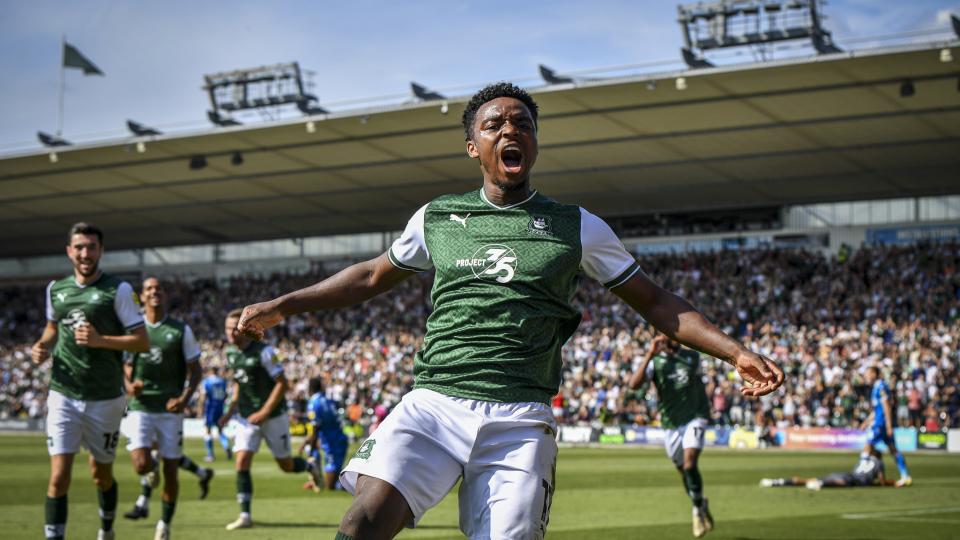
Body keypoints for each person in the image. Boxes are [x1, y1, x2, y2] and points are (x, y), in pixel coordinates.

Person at [235, 82, 784, 540]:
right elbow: (370, 276)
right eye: (494, 124)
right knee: (362, 524)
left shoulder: (577, 226)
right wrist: (285, 304)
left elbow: (658, 303)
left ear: (535, 142)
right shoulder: (438, 218)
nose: (509, 131)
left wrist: (736, 352)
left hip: (520, 417)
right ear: (473, 145)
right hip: (434, 404)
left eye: (521, 123)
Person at [32, 222, 150, 540]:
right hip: (63, 393)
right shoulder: (56, 289)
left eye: (92, 247)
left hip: (106, 397)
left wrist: (101, 340)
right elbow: (52, 328)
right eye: (80, 247)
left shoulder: (120, 290)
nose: (85, 253)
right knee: (58, 477)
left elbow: (141, 342)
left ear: (101, 251)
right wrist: (43, 345)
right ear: (70, 251)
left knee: (102, 475)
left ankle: (107, 529)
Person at [120, 277, 214, 539]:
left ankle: (164, 525)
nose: (154, 292)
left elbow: (196, 370)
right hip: (140, 406)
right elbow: (126, 366)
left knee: (171, 470)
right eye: (149, 289)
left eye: (158, 288)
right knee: (141, 464)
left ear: (164, 294)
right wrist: (129, 385)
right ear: (142, 296)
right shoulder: (134, 330)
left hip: (171, 410)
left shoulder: (180, 330)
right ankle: (148, 481)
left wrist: (185, 399)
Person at [218, 308, 320, 530]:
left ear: (244, 328)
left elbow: (283, 383)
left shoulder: (264, 352)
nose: (231, 333)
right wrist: (229, 411)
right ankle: (245, 515)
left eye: (234, 328)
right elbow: (239, 382)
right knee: (241, 461)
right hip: (246, 418)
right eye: (227, 328)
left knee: (285, 465)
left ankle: (309, 465)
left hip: (273, 415)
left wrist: (264, 412)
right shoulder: (231, 354)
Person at [625, 334, 714, 537]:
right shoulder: (654, 361)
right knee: (684, 471)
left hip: (695, 416)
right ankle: (700, 502)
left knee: (690, 464)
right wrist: (649, 353)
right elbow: (633, 385)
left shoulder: (692, 357)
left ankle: (696, 511)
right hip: (670, 423)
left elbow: (703, 382)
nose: (666, 338)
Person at [862, 366, 911, 486]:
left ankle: (861, 473)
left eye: (868, 373)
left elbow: (886, 407)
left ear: (874, 374)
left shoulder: (881, 386)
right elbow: (877, 409)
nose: (866, 376)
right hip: (880, 422)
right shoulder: (876, 387)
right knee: (893, 450)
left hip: (881, 424)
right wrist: (867, 421)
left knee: (868, 446)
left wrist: (888, 426)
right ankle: (905, 476)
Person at [299, 377, 349, 491]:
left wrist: (311, 451)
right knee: (333, 479)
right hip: (339, 438)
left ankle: (326, 483)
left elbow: (315, 428)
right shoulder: (327, 399)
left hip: (332, 442)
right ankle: (323, 481)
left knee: (330, 487)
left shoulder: (314, 403)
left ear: (310, 388)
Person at [759, 449, 898, 489]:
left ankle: (777, 482)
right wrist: (895, 483)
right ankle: (822, 484)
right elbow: (882, 481)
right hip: (854, 479)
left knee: (809, 479)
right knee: (841, 484)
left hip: (847, 474)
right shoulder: (879, 463)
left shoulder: (864, 459)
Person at [198, 366, 232, 462]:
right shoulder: (222, 381)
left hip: (210, 408)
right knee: (220, 430)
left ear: (210, 371)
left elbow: (203, 396)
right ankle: (226, 446)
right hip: (220, 408)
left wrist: (200, 409)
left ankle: (210, 455)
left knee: (208, 431)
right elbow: (225, 395)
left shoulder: (207, 381)